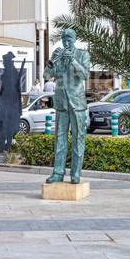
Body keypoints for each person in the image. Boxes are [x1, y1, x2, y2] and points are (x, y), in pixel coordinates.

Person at [45, 30, 91, 184]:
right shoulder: (57, 55)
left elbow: (84, 75)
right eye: (64, 39)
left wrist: (73, 61)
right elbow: (46, 76)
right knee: (60, 139)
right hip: (61, 103)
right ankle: (58, 173)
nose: (66, 42)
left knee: (78, 139)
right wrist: (52, 62)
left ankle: (75, 174)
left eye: (69, 38)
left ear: (75, 39)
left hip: (77, 103)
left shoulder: (83, 55)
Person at [0, 52, 24, 153]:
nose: (3, 63)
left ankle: (7, 145)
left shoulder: (11, 71)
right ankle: (2, 145)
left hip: (10, 103)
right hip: (4, 101)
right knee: (0, 123)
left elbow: (13, 89)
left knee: (8, 124)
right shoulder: (8, 71)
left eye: (4, 61)